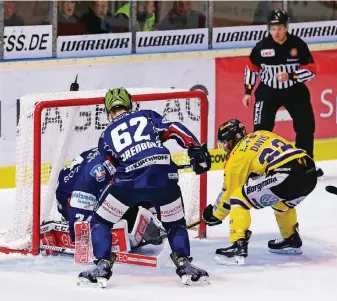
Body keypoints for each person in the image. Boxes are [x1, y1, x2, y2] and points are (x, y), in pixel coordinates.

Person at [77, 88, 211, 287]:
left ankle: (102, 266)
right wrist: (195, 147)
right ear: (130, 105)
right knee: (174, 223)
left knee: (101, 221)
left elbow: (113, 166)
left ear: (108, 111)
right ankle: (184, 263)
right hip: (165, 176)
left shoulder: (105, 135)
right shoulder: (147, 116)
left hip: (129, 182)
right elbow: (174, 127)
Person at [202, 119, 317, 265]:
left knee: (238, 197)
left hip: (285, 174)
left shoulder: (237, 156)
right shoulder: (261, 134)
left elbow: (229, 194)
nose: (225, 148)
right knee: (279, 200)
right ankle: (291, 239)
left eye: (225, 143)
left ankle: (238, 245)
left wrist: (215, 214)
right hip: (309, 172)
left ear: (232, 140)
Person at [242, 10, 323, 177]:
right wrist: (248, 91)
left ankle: (305, 165)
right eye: (272, 29)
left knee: (305, 127)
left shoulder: (298, 45)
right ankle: (259, 167)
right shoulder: (262, 46)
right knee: (261, 130)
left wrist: (292, 75)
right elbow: (251, 67)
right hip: (267, 91)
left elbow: (311, 70)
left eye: (279, 28)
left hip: (294, 90)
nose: (276, 33)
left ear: (286, 28)